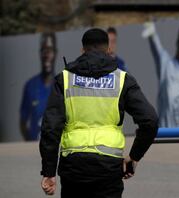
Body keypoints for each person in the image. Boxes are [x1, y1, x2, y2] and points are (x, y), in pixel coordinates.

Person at [39, 28, 158, 198]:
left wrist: (49, 171)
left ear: (82, 50)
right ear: (109, 49)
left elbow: (50, 128)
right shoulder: (123, 80)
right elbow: (150, 121)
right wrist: (134, 157)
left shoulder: (64, 79)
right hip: (108, 168)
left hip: (74, 167)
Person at [20, 32, 57, 141]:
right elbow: (23, 122)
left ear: (55, 53)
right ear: (39, 53)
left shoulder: (62, 84)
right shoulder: (30, 85)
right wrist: (30, 145)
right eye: (43, 50)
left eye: (49, 50)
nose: (46, 55)